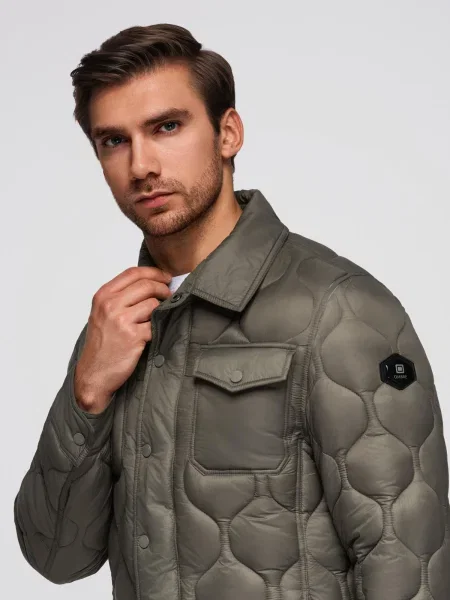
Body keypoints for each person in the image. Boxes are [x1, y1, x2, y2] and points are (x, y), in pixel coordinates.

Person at [14, 22, 450, 600]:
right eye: (113, 141)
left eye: (167, 127)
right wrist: (86, 395)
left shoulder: (340, 310)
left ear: (228, 133)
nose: (140, 165)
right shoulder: (117, 327)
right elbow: (56, 557)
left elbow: (407, 562)